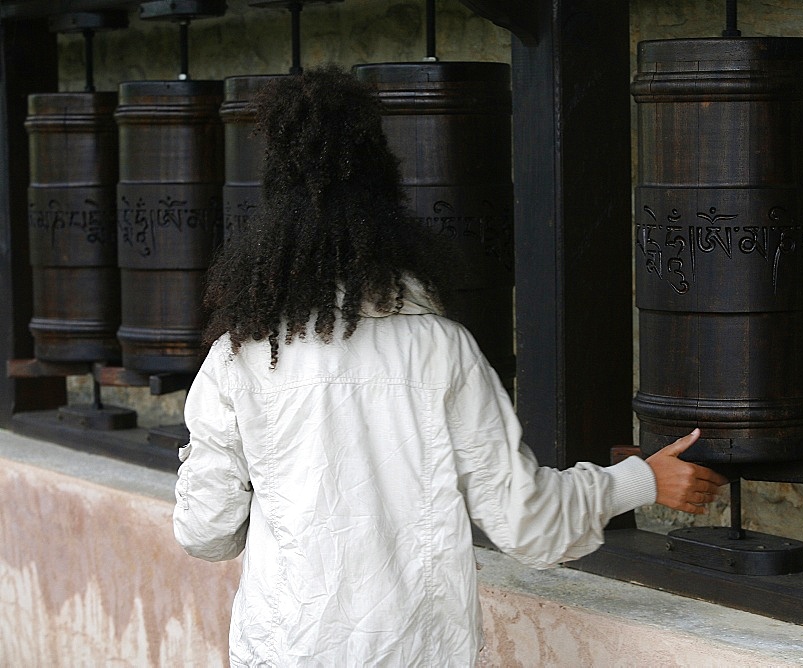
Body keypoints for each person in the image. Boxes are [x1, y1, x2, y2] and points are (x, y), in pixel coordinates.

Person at [173, 64, 727, 667]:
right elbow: (525, 520)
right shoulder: (441, 350)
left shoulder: (238, 358)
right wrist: (641, 480)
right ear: (386, 201)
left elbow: (205, 532)